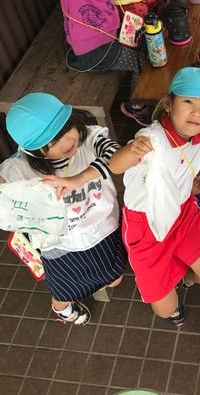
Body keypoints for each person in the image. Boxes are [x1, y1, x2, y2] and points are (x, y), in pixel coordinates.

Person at [109, 67, 200, 325]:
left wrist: (187, 185)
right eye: (188, 102)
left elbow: (184, 165)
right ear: (168, 103)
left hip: (183, 213)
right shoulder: (152, 138)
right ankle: (173, 278)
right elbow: (115, 166)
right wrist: (131, 150)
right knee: (165, 310)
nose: (196, 112)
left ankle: (183, 275)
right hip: (146, 224)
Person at [1, 93, 127, 324]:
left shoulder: (90, 138)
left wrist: (79, 179)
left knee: (114, 277)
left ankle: (95, 285)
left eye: (65, 129)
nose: (66, 141)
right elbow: (4, 180)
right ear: (32, 149)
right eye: (51, 141)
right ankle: (62, 309)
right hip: (60, 247)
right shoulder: (21, 166)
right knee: (65, 291)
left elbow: (116, 156)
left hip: (103, 230)